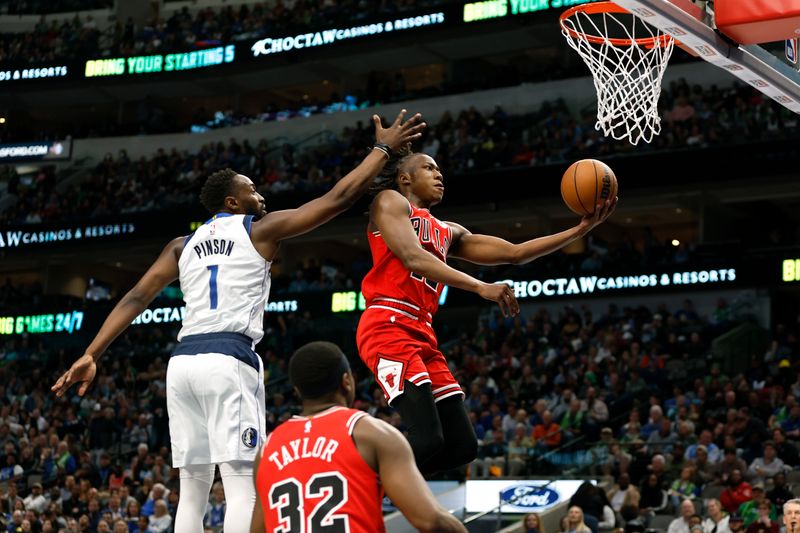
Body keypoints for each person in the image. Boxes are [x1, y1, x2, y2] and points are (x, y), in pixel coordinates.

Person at [51, 110, 426, 533]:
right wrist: (381, 151)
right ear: (232, 202)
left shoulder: (181, 245)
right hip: (228, 358)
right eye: (252, 190)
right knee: (241, 480)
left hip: (182, 364)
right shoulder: (260, 230)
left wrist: (91, 353)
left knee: (192, 486)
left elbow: (137, 296)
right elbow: (336, 200)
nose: (260, 195)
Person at [355, 149, 616, 472]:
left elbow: (515, 253)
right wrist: (480, 286)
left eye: (440, 169)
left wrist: (579, 230)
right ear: (405, 177)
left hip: (423, 331)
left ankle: (380, 485)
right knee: (427, 439)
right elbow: (412, 256)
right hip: (388, 322)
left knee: (463, 447)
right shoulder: (390, 202)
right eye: (429, 168)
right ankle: (356, 479)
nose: (439, 175)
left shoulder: (449, 231)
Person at [250, 341, 466, 533]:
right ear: (347, 381)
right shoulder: (370, 433)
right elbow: (431, 522)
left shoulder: (267, 450)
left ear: (297, 391)